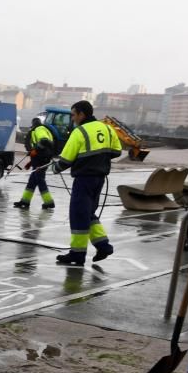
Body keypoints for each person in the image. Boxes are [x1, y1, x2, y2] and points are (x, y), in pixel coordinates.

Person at [52, 100, 121, 266]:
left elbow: (67, 159)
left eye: (74, 115)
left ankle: (77, 254)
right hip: (99, 179)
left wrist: (56, 168)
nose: (73, 119)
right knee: (88, 214)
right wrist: (98, 160)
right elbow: (116, 151)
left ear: (82, 114)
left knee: (78, 215)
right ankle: (103, 246)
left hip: (84, 180)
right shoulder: (107, 128)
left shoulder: (79, 132)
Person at [13, 118, 55, 210]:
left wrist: (35, 150)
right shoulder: (44, 129)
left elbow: (44, 141)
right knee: (32, 181)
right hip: (42, 159)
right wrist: (31, 162)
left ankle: (49, 202)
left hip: (41, 160)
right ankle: (25, 201)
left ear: (33, 125)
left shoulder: (39, 129)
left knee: (40, 180)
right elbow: (44, 148)